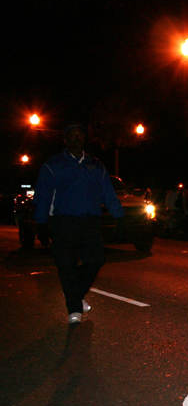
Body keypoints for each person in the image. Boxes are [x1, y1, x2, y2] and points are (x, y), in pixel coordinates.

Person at [32, 122, 125, 324]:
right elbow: (43, 195)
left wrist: (119, 215)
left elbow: (108, 193)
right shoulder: (53, 165)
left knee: (96, 259)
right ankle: (74, 309)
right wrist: (41, 222)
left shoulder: (96, 165)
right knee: (66, 265)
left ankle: (75, 295)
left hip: (90, 222)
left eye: (81, 135)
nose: (78, 137)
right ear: (65, 140)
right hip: (64, 222)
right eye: (73, 134)